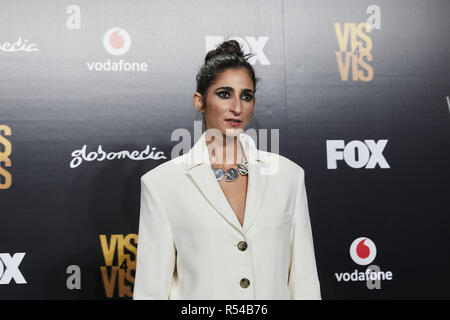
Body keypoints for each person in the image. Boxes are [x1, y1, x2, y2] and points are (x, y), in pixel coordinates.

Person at [133, 40, 321, 300]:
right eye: (224, 94)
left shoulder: (289, 176)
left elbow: (305, 283)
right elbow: (150, 290)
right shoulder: (161, 184)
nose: (237, 107)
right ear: (199, 102)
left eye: (246, 96)